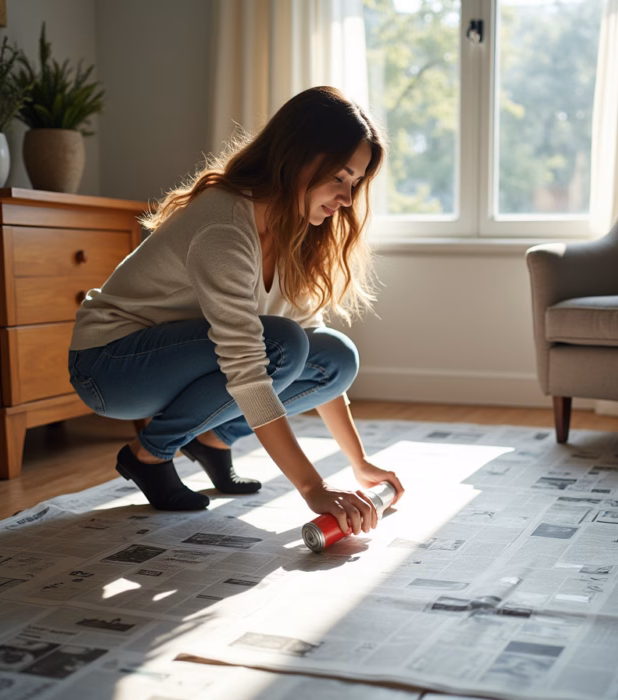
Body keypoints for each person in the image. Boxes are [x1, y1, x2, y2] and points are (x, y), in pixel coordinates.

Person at [68, 86, 404, 534]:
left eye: (355, 183)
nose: (346, 198)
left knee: (335, 355)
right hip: (111, 366)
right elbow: (247, 364)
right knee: (282, 345)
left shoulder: (292, 229)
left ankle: (213, 440)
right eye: (339, 178)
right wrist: (313, 487)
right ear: (297, 157)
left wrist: (358, 462)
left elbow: (309, 340)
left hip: (181, 359)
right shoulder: (224, 226)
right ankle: (148, 455)